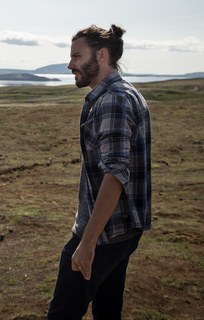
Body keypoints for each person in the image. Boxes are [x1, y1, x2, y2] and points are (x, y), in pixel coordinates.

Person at [47, 24, 152, 319]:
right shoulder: (123, 93)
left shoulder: (113, 101)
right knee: (108, 310)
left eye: (77, 56)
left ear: (101, 55)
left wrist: (87, 243)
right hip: (123, 230)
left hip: (105, 234)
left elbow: (115, 174)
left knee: (62, 313)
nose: (70, 64)